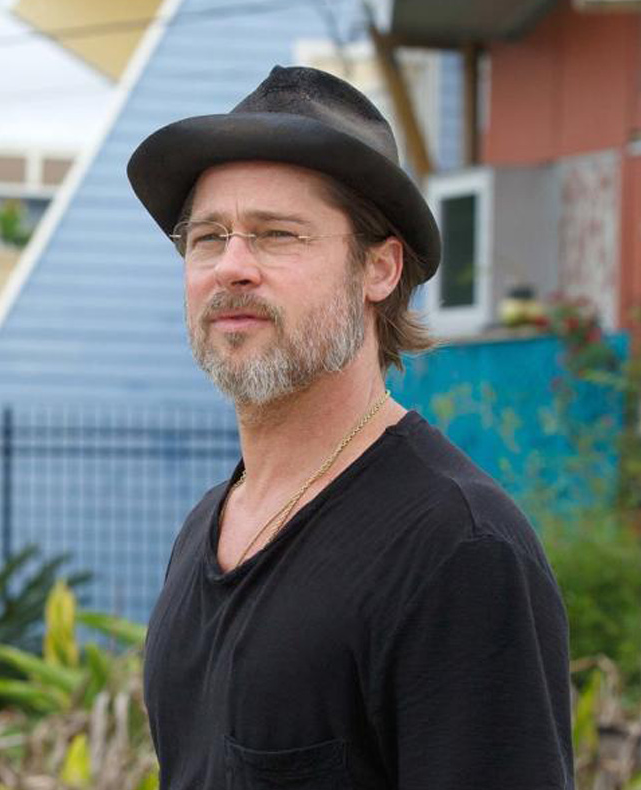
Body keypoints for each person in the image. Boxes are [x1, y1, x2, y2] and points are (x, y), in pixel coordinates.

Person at [125, 66, 574, 789]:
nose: (231, 267)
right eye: (208, 237)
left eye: (276, 234)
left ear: (379, 269)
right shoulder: (209, 525)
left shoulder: (458, 549)